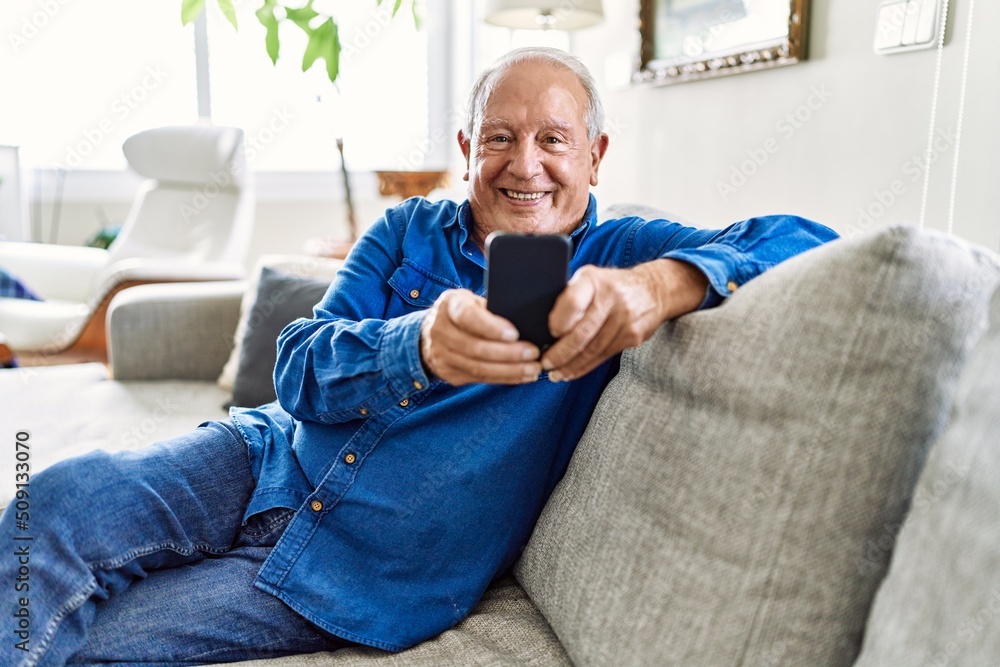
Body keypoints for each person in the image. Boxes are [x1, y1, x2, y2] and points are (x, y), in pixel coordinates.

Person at [1, 47, 838, 665]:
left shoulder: (625, 249)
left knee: (87, 641)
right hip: (260, 457)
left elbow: (812, 243)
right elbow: (298, 366)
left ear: (595, 155)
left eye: (554, 138)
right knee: (54, 506)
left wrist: (662, 285)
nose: (526, 164)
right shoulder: (407, 232)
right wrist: (416, 346)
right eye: (501, 137)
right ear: (470, 147)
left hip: (360, 571)